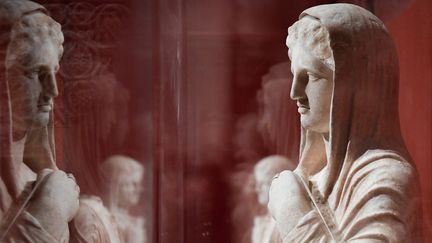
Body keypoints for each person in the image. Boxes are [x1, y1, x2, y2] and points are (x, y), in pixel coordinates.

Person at [268, 3, 423, 242]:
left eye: (311, 76)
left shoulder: (385, 178)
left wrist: (293, 214)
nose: (295, 92)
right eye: (295, 75)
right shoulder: (309, 177)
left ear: (355, 84)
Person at [0, 0, 79, 241]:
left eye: (54, 72)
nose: (53, 90)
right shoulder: (53, 191)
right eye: (36, 73)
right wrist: (51, 209)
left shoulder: (40, 178)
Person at [101, 155, 146, 243]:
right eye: (133, 184)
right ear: (115, 186)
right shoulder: (103, 220)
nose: (138, 189)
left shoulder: (132, 222)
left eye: (138, 184)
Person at [252, 155, 294, 243]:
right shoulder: (263, 223)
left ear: (279, 184)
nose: (257, 189)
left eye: (263, 183)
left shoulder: (288, 221)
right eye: (257, 183)